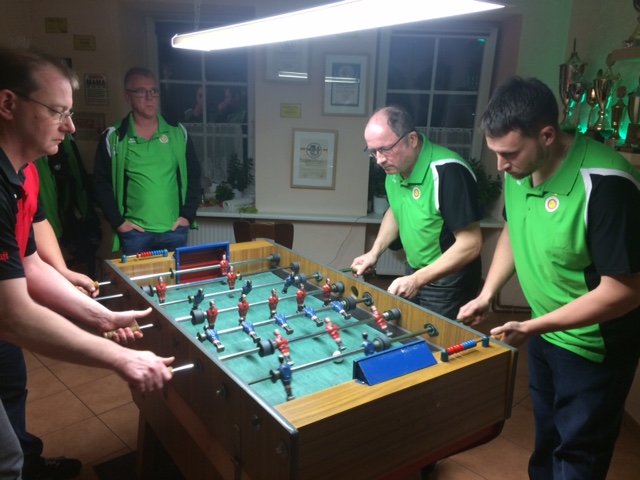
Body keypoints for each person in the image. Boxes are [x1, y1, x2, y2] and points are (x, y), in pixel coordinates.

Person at [0, 46, 174, 480]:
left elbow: (31, 265)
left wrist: (103, 317)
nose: (71, 126)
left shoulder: (19, 172)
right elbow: (13, 314)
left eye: (70, 112)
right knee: (6, 462)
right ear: (8, 104)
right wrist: (121, 359)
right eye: (57, 111)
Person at [457, 76, 640, 480]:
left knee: (578, 453)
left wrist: (531, 326)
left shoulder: (608, 185)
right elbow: (514, 229)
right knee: (547, 442)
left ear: (547, 135)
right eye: (495, 153)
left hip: (593, 347)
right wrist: (488, 293)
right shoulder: (520, 170)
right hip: (544, 330)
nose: (500, 166)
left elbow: (625, 292)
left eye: (509, 153)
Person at [351, 105, 483, 320]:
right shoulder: (394, 169)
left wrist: (417, 279)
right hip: (415, 271)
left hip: (448, 281)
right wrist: (374, 253)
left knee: (436, 340)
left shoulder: (449, 171)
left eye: (385, 149)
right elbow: (396, 211)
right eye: (373, 152)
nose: (379, 159)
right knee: (410, 331)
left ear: (412, 139)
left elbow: (471, 244)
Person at [93, 67, 201, 256]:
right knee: (137, 278)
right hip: (135, 235)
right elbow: (100, 184)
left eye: (154, 91)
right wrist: (118, 222)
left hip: (174, 231)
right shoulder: (115, 137)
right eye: (141, 91)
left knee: (175, 277)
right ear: (128, 97)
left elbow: (194, 175)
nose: (149, 97)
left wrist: (187, 215)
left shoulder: (177, 132)